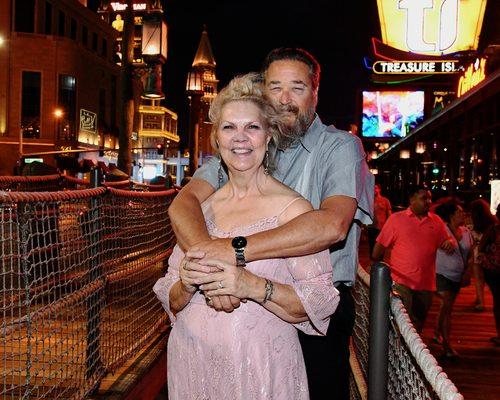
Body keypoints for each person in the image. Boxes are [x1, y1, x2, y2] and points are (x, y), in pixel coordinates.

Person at [167, 48, 374, 399]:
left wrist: (233, 253)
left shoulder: (338, 147)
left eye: (297, 87)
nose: (284, 98)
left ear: (315, 92)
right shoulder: (244, 148)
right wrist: (211, 269)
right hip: (224, 320)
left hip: (313, 311)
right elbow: (184, 203)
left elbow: (332, 225)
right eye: (275, 87)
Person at [372, 185, 453, 333]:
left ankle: (412, 354)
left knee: (419, 323)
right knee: (403, 322)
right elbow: (378, 249)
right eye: (424, 198)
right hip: (401, 282)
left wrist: (450, 243)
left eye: (430, 198)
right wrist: (378, 269)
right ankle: (397, 353)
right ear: (412, 200)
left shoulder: (436, 221)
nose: (428, 201)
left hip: (426, 284)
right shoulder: (396, 219)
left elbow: (446, 242)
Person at [432, 201, 473, 359]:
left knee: (447, 307)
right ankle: (447, 346)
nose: (463, 214)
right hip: (442, 273)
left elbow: (469, 253)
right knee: (447, 307)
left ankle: (438, 332)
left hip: (457, 275)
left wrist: (468, 270)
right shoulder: (442, 229)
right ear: (451, 215)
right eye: (459, 212)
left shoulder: (465, 231)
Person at [478, 202, 500, 345]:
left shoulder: (493, 230)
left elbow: (481, 247)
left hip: (494, 272)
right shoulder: (493, 229)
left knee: (498, 302)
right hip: (494, 271)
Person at [470, 199, 497, 311]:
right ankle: (481, 299)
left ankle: (480, 301)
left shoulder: (473, 223)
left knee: (478, 278)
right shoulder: (492, 222)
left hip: (477, 253)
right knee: (489, 279)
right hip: (488, 253)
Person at [368, 183, 392, 256]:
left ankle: (380, 262)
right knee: (372, 246)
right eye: (373, 188)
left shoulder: (385, 200)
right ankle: (373, 263)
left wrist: (389, 226)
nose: (374, 190)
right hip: (371, 227)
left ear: (379, 189)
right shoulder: (369, 200)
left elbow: (389, 214)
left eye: (375, 188)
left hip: (382, 227)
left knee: (381, 246)